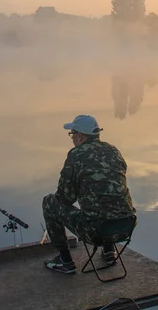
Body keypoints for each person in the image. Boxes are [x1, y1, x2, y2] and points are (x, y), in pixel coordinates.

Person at [42, 114, 136, 274]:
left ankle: (65, 261)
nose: (71, 138)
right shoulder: (113, 150)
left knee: (49, 202)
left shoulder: (76, 155)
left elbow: (64, 198)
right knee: (106, 199)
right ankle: (109, 251)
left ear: (80, 136)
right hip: (126, 226)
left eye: (72, 134)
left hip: (95, 231)